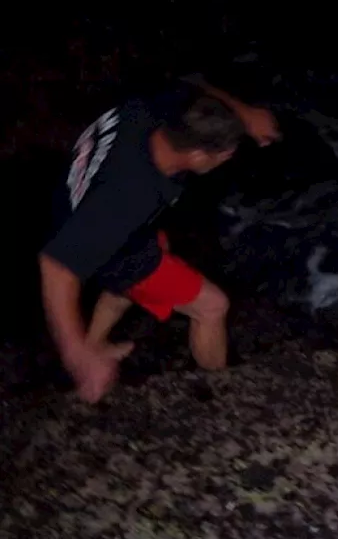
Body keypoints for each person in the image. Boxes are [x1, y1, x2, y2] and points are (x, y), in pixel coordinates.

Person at [39, 75, 280, 404]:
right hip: (112, 247)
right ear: (196, 156)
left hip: (69, 196)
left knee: (158, 245)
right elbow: (57, 266)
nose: (229, 157)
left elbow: (191, 81)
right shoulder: (130, 196)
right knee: (211, 306)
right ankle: (225, 397)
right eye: (224, 153)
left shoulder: (144, 111)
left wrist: (245, 113)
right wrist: (77, 355)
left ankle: (97, 340)